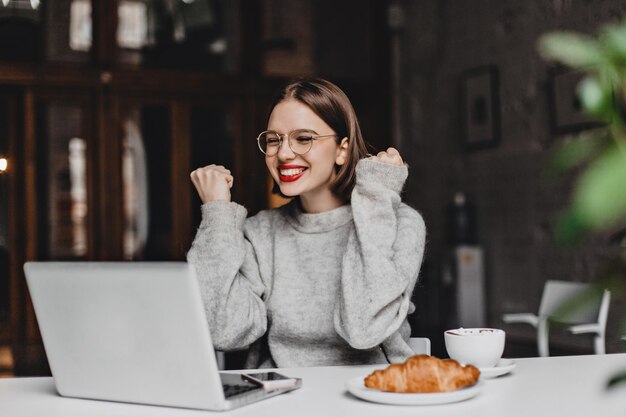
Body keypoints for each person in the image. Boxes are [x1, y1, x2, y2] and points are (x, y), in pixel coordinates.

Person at [187, 77, 426, 368]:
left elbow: (364, 329)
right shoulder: (260, 232)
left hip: (374, 396)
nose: (284, 153)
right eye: (275, 139)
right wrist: (217, 213)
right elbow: (223, 331)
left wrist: (375, 198)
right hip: (281, 400)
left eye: (303, 138)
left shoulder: (400, 223)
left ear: (342, 149)